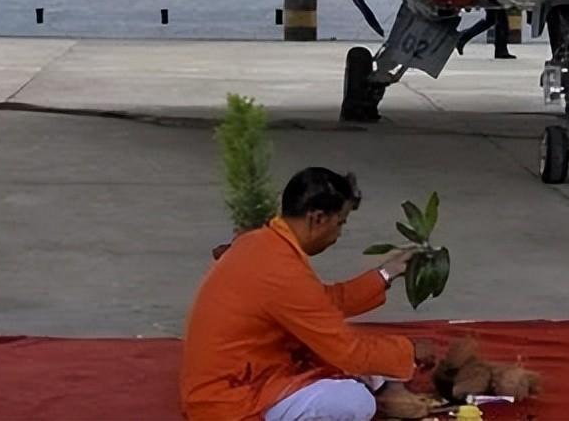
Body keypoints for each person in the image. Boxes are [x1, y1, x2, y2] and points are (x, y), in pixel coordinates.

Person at [180, 167, 433, 421]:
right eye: (340, 223)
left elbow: (320, 303)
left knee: (349, 354)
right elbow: (348, 351)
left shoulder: (262, 242)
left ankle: (383, 389)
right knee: (355, 401)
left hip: (255, 370)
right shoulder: (280, 267)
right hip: (230, 399)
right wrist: (409, 351)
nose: (339, 234)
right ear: (317, 218)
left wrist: (387, 273)